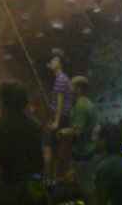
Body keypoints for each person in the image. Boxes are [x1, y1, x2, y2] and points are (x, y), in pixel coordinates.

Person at [0, 82, 46, 205]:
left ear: (4, 102)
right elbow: (40, 163)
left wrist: (0, 195)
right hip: (34, 185)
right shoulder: (35, 126)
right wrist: (39, 193)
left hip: (9, 189)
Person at [59, 76, 97, 200]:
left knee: (85, 188)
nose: (69, 89)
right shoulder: (88, 103)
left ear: (79, 89)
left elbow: (77, 132)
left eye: (71, 86)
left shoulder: (80, 106)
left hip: (83, 153)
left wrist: (62, 132)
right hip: (89, 151)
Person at [43, 51, 73, 183]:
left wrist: (56, 121)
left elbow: (60, 101)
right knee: (55, 150)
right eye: (51, 60)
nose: (52, 62)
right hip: (61, 117)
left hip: (60, 118)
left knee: (49, 147)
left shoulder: (61, 78)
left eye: (55, 60)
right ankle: (53, 178)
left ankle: (50, 179)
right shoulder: (61, 78)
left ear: (60, 63)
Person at [95, 123, 122, 205]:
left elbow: (100, 200)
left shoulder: (106, 167)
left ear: (104, 140)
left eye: (97, 136)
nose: (94, 139)